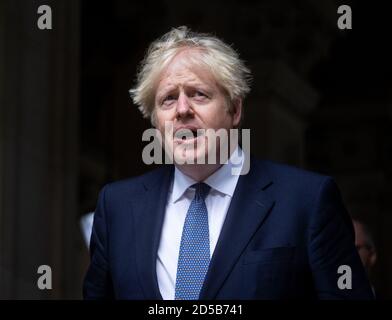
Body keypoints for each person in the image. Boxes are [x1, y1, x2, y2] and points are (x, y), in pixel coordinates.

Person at [83, 26, 374, 299]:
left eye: (198, 94)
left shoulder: (307, 200)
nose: (182, 110)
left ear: (235, 110)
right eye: (168, 99)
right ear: (156, 121)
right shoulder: (117, 206)